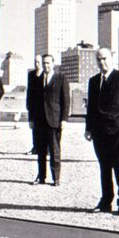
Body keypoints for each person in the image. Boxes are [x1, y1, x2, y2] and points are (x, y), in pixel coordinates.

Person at [85, 47, 119, 216]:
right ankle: (105, 201)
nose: (102, 62)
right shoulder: (93, 81)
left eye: (105, 58)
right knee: (104, 167)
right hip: (99, 132)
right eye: (99, 59)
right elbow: (91, 108)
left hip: (118, 131)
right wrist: (89, 128)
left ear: (112, 58)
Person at [30, 54, 70, 186]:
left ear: (53, 64)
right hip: (40, 121)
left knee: (55, 151)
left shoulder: (61, 78)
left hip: (54, 120)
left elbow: (66, 100)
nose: (46, 65)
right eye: (44, 63)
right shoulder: (37, 79)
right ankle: (41, 176)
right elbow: (32, 101)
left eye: (48, 63)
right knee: (40, 151)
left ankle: (56, 177)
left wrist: (64, 119)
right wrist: (31, 119)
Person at [25, 55, 44, 155]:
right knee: (34, 128)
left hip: (44, 106)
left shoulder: (45, 74)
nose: (37, 64)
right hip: (34, 106)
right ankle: (35, 147)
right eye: (35, 62)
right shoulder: (31, 75)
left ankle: (46, 148)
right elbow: (29, 91)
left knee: (44, 129)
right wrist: (28, 104)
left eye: (38, 62)